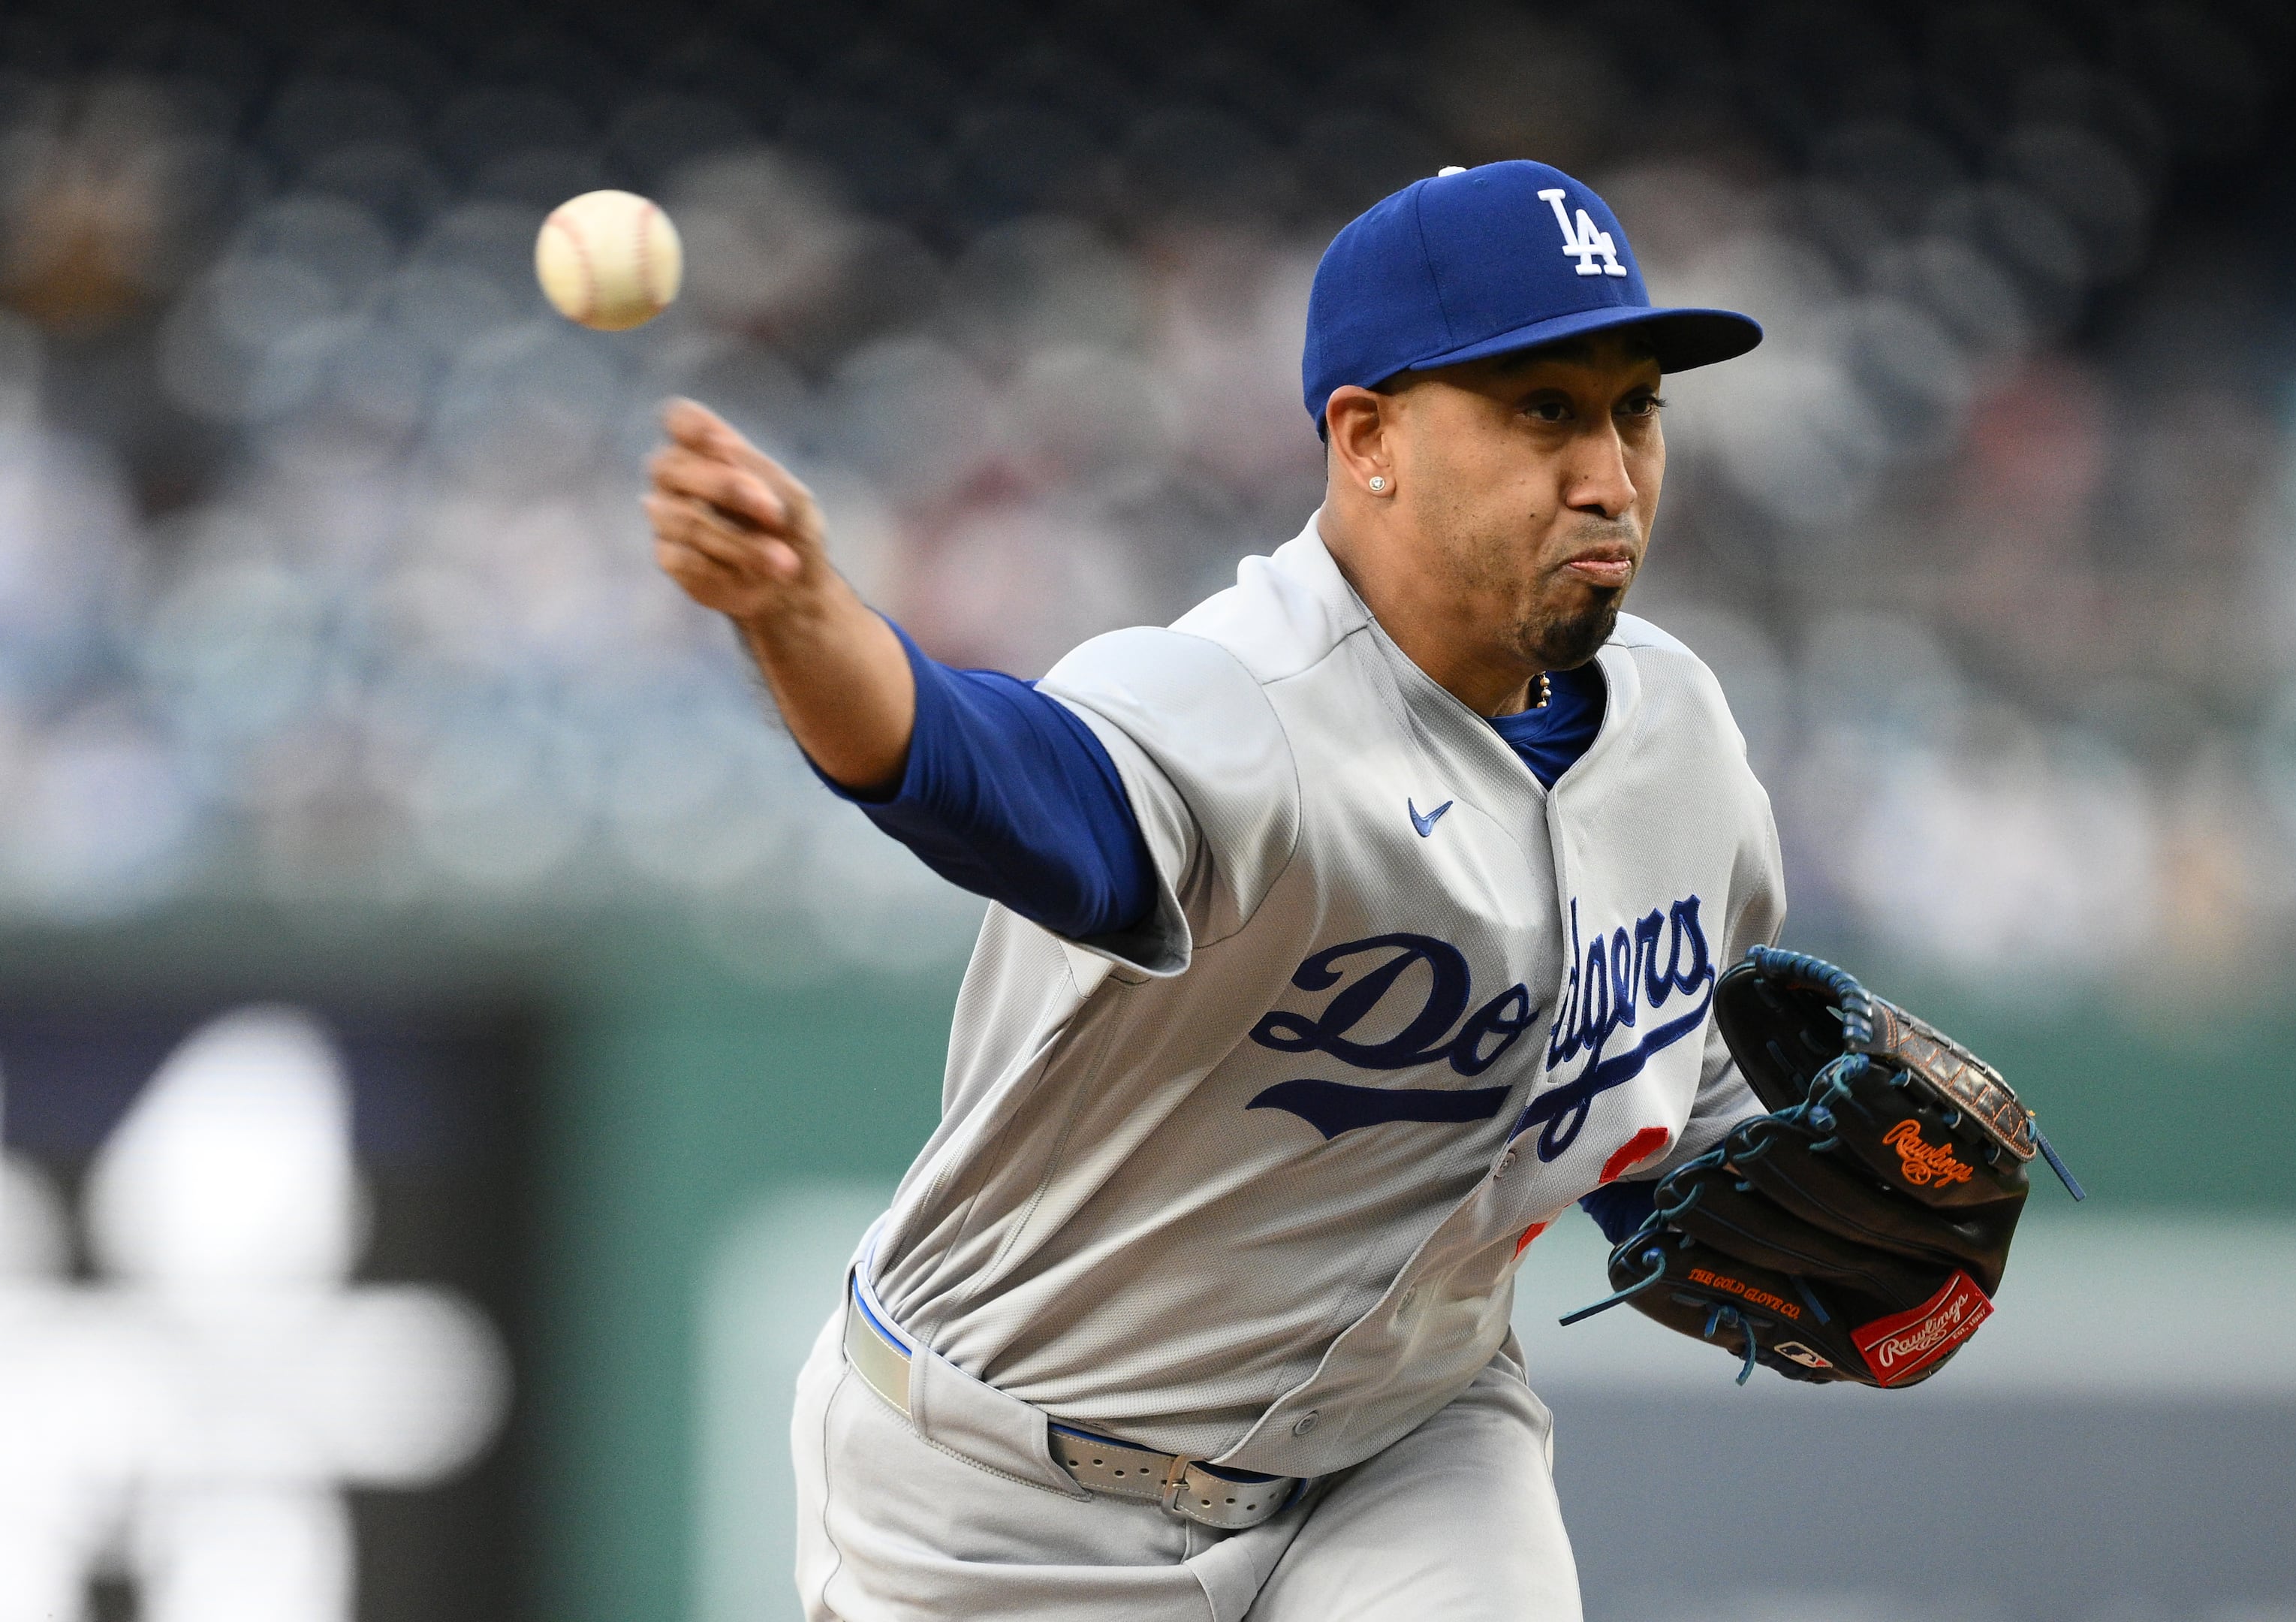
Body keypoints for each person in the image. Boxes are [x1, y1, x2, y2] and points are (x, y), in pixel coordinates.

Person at [643, 159, 1773, 1621]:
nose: (1609, 475)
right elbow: (979, 771)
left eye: (1636, 409)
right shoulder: (1230, 704)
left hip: (1407, 1443)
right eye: (1543, 409)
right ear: (1366, 438)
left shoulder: (1681, 736)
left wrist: (1788, 1184)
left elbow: (1695, 1094)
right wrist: (805, 620)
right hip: (1008, 1493)